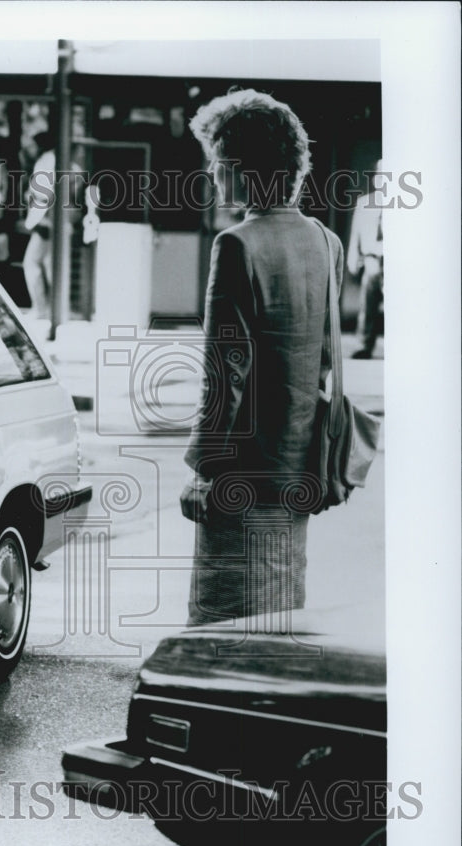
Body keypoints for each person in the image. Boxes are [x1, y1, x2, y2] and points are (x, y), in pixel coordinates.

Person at [180, 89, 342, 625]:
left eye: (217, 162)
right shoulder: (325, 241)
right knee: (277, 621)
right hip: (299, 471)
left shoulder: (238, 245)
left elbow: (223, 374)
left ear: (244, 170)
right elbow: (322, 361)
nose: (211, 174)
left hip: (241, 477)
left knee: (221, 631)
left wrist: (205, 472)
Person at [21, 132, 84, 322]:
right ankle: (57, 309)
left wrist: (42, 217)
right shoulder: (71, 165)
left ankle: (43, 308)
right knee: (52, 265)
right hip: (62, 221)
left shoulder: (48, 161)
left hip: (47, 220)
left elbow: (45, 193)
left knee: (33, 264)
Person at [346, 161, 384, 359]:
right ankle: (364, 344)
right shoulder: (364, 203)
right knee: (367, 304)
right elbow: (356, 233)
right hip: (371, 260)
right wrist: (353, 258)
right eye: (380, 174)